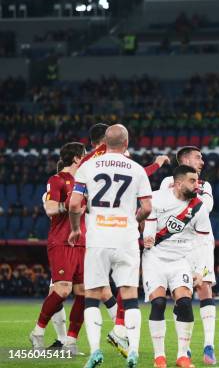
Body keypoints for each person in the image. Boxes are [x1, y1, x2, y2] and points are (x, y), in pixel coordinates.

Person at [68, 124, 153, 368]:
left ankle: (95, 351)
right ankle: (134, 350)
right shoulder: (137, 169)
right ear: (126, 143)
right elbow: (147, 208)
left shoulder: (88, 166)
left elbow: (75, 205)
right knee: (129, 295)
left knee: (92, 296)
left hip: (98, 239)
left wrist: (75, 228)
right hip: (125, 238)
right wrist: (133, 221)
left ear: (104, 143)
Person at [159, 146, 216, 365]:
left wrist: (184, 198)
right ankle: (186, 348)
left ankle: (208, 346)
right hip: (177, 243)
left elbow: (206, 207)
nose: (202, 161)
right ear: (184, 159)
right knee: (180, 293)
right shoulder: (167, 182)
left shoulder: (206, 185)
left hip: (201, 242)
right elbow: (166, 205)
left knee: (204, 287)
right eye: (198, 157)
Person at [143, 165, 204, 368]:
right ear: (178, 183)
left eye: (197, 181)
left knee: (185, 304)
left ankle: (182, 356)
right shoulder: (157, 198)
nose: (197, 185)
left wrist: (200, 270)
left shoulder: (198, 206)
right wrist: (147, 237)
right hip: (155, 259)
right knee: (158, 303)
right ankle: (159, 357)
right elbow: (149, 225)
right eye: (192, 181)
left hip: (181, 260)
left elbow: (202, 240)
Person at [30, 142, 87, 355]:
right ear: (75, 158)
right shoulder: (57, 180)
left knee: (83, 292)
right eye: (84, 155)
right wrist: (71, 206)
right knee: (62, 289)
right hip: (62, 241)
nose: (86, 159)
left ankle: (70, 343)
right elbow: (50, 208)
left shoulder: (84, 181)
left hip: (83, 242)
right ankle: (38, 331)